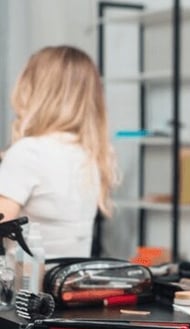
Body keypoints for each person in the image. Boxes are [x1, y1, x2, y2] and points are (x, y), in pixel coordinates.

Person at [0, 45, 119, 259]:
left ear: (32, 90)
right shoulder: (90, 154)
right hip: (70, 286)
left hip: (27, 288)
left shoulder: (29, 152)